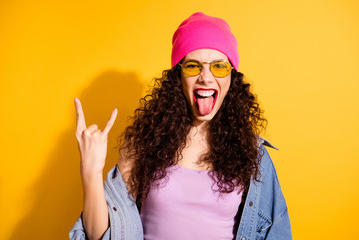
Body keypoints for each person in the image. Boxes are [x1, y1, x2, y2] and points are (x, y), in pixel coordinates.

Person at [70, 12, 292, 240]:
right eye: (193, 66)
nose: (206, 77)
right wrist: (91, 171)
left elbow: (277, 233)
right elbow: (100, 236)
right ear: (178, 75)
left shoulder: (253, 156)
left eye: (219, 66)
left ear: (232, 78)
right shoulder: (145, 143)